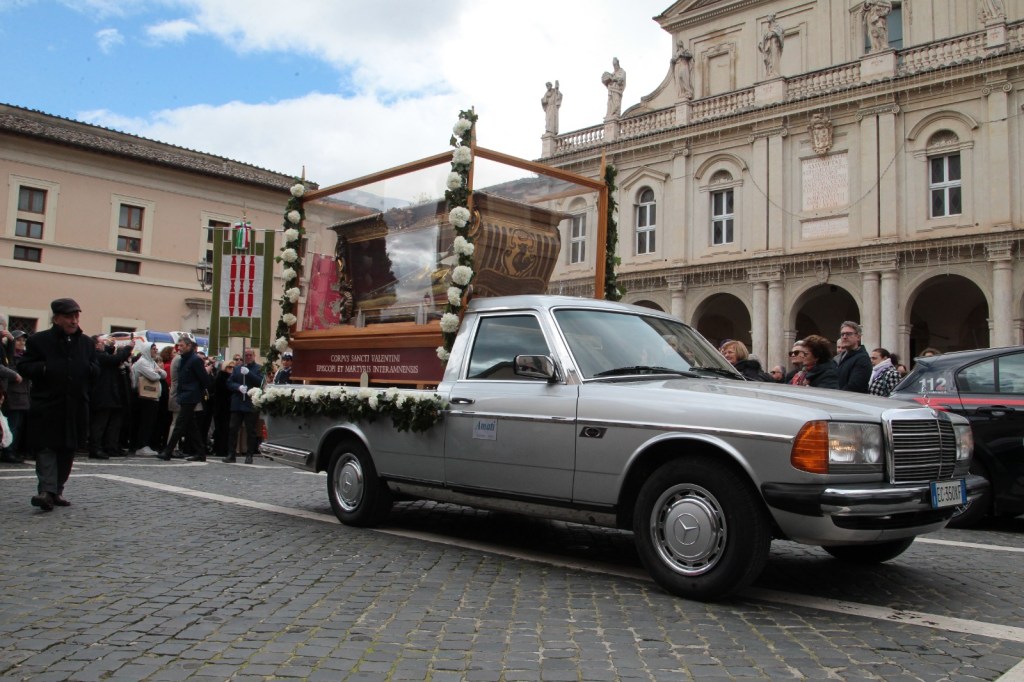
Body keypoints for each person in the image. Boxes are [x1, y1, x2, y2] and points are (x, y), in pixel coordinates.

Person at [19, 298, 99, 511]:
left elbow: (95, 368)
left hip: (75, 404)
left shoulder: (86, 343)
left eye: (76, 316)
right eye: (69, 317)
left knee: (68, 448)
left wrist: (89, 370)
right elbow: (25, 366)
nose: (74, 321)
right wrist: (45, 369)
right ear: (56, 319)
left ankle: (57, 490)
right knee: (46, 447)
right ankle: (45, 491)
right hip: (48, 403)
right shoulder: (39, 340)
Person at [157, 336, 211, 462]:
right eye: (178, 346)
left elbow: (204, 379)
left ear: (189, 346)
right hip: (185, 394)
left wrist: (197, 391)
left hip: (190, 396)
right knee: (191, 426)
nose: (179, 348)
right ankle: (200, 452)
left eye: (181, 346)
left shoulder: (195, 360)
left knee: (180, 424)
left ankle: (168, 451)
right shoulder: (183, 360)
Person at [88, 335, 134, 459]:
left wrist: (111, 345)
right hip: (102, 394)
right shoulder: (97, 356)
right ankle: (95, 448)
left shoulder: (101, 355)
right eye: (102, 342)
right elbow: (116, 359)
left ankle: (110, 446)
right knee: (100, 424)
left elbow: (110, 355)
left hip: (109, 394)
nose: (104, 344)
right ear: (96, 345)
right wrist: (128, 348)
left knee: (109, 423)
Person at [225, 348, 264, 464]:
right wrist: (238, 387)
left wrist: (249, 374)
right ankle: (231, 454)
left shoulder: (259, 369)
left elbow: (261, 382)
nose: (248, 357)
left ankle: (249, 455)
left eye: (250, 355)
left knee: (250, 430)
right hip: (237, 403)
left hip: (250, 403)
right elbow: (229, 383)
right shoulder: (237, 369)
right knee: (233, 429)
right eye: (246, 355)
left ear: (254, 356)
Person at [131, 343, 167, 457]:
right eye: (153, 348)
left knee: (150, 422)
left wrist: (158, 371)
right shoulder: (142, 362)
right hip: (145, 397)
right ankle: (141, 445)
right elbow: (154, 376)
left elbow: (164, 374)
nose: (156, 350)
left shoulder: (151, 362)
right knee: (145, 422)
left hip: (153, 397)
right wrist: (158, 371)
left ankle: (145, 444)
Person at [2, 332, 30, 462]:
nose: (21, 343)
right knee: (12, 425)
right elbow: (11, 372)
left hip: (23, 396)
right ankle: (8, 451)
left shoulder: (24, 357)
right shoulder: (10, 357)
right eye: (18, 340)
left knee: (18, 425)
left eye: (23, 341)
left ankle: (13, 450)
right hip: (13, 396)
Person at [835, 321, 872, 393]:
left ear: (858, 337)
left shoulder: (862, 358)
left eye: (848, 334)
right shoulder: (840, 357)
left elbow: (854, 387)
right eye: (842, 334)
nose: (844, 337)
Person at [760, 13, 785, 78]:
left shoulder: (777, 26)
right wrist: (761, 44)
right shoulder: (766, 29)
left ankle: (774, 73)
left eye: (768, 16)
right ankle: (769, 73)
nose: (767, 17)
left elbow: (781, 32)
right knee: (768, 60)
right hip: (768, 46)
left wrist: (773, 33)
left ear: (772, 17)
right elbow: (763, 39)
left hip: (774, 44)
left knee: (774, 58)